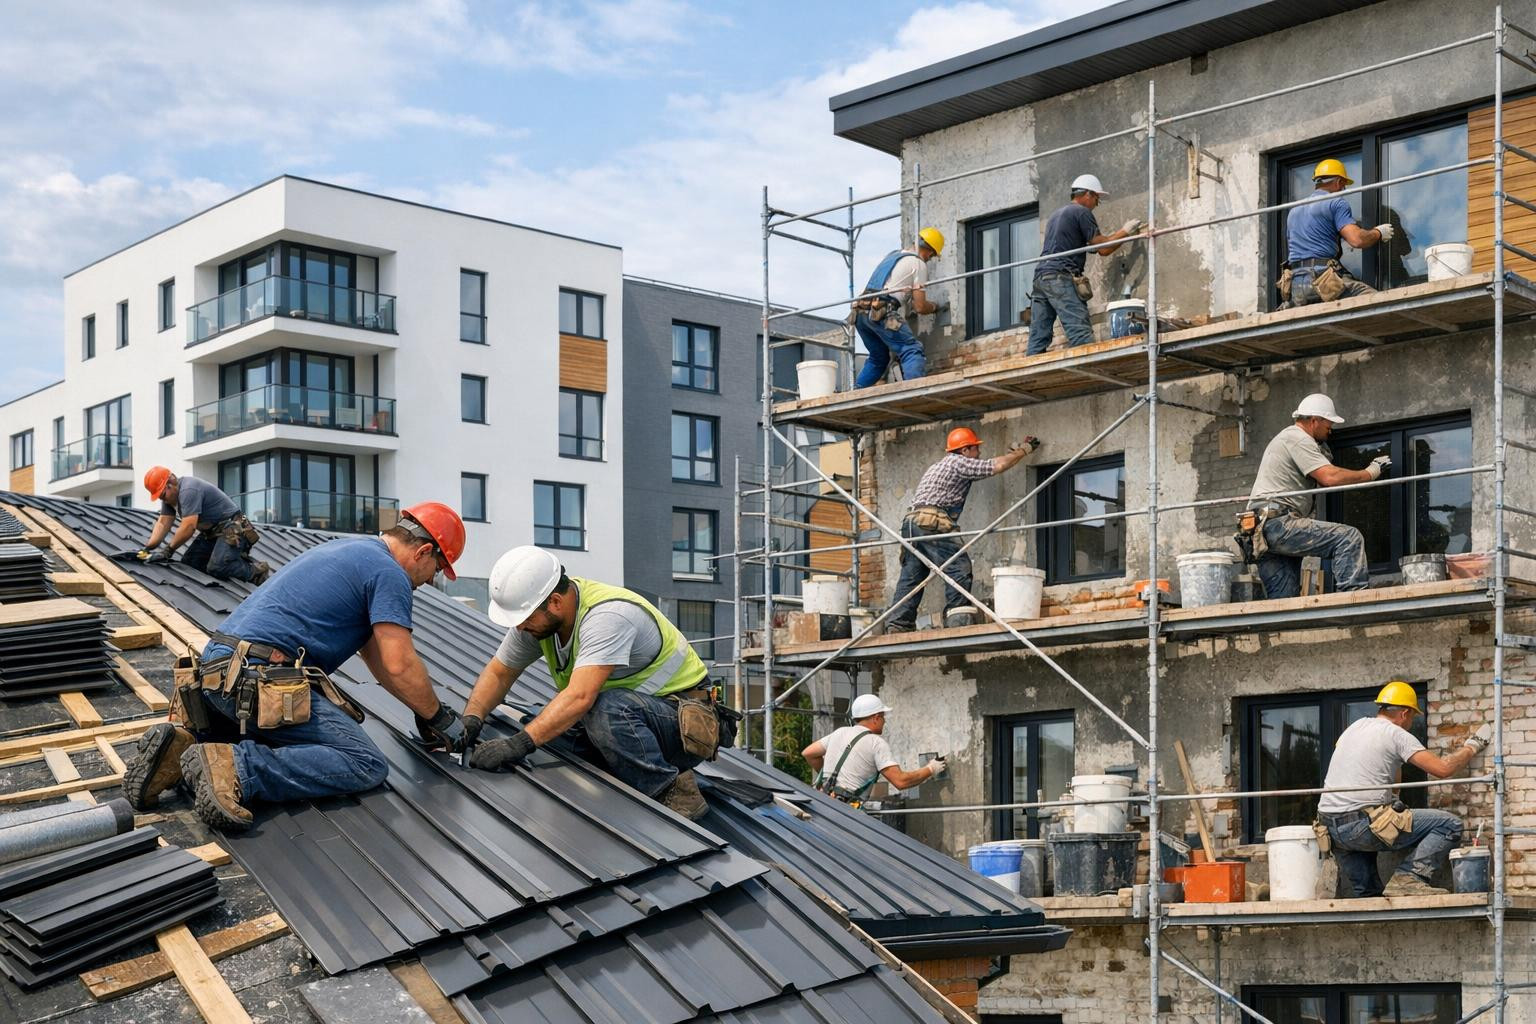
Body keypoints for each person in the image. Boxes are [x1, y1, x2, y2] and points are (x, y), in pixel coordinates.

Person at [121, 502, 471, 830]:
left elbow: (379, 662)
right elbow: (400, 665)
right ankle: (238, 768)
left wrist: (423, 711)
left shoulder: (348, 550)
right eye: (437, 569)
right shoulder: (389, 573)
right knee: (366, 763)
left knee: (264, 732)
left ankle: (184, 743)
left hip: (215, 674)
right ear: (424, 551)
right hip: (257, 681)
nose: (429, 580)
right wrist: (441, 719)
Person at [459, 546, 727, 821]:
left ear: (554, 602)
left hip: (684, 729)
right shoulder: (538, 621)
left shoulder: (608, 617)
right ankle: (621, 767)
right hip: (638, 724)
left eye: (525, 619)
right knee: (540, 722)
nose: (519, 628)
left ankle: (672, 791)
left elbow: (580, 697)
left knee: (602, 710)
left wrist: (516, 746)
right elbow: (499, 673)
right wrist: (471, 718)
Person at [1318, 681, 1490, 897]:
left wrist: (1393, 799)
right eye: (1412, 717)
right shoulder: (1395, 734)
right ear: (1405, 713)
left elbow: (1382, 765)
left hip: (1331, 829)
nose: (1411, 723)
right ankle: (1409, 878)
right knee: (1450, 825)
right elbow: (1442, 769)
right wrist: (1472, 747)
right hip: (1360, 826)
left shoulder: (1355, 726)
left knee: (1370, 896)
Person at [886, 427, 1038, 633]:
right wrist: (1023, 451)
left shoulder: (938, 466)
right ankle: (958, 620)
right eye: (975, 449)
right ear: (964, 450)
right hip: (932, 522)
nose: (979, 453)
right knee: (959, 566)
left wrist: (1014, 453)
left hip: (912, 525)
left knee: (913, 575)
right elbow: (998, 465)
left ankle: (898, 624)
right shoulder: (958, 463)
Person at [1244, 393, 1389, 599]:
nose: (1330, 431)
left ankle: (1284, 628)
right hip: (1278, 522)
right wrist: (1370, 473)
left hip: (1261, 530)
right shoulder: (1297, 438)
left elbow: (1320, 478)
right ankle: (1356, 601)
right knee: (1348, 538)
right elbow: (1328, 477)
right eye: (1328, 425)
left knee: (1285, 602)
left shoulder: (1290, 439)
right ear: (1314, 420)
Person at [1026, 174, 1144, 355]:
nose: (1096, 204)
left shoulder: (1057, 215)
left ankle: (1030, 379)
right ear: (1088, 194)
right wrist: (1126, 231)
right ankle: (1090, 374)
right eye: (1097, 199)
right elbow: (1104, 248)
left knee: (1038, 337)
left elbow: (1079, 244)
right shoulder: (1082, 212)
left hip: (1041, 278)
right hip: (1060, 276)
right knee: (1080, 334)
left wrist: (1090, 245)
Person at [1280, 158, 1392, 308]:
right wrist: (1378, 232)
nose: (1343, 190)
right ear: (1339, 182)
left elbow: (1311, 238)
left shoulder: (1293, 211)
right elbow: (1357, 240)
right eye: (1344, 186)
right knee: (1377, 303)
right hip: (1322, 281)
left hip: (1295, 284)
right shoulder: (1336, 202)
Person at [802, 694, 945, 806]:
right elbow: (901, 782)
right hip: (846, 811)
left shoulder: (839, 732)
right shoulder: (875, 743)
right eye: (883, 717)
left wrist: (832, 774)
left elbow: (808, 753)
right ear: (876, 718)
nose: (885, 721)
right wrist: (931, 769)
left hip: (822, 801)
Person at [138, 467, 271, 584]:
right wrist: (148, 548)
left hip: (235, 526)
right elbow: (163, 522)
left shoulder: (188, 490)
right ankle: (228, 561)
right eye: (160, 497)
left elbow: (188, 527)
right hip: (213, 533)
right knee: (189, 565)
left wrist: (168, 551)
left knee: (217, 567)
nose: (163, 499)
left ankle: (255, 571)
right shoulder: (169, 497)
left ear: (171, 483)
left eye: (162, 495)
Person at [851, 228, 946, 389]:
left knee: (878, 357)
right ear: (930, 252)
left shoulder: (892, 256)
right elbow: (920, 306)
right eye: (932, 256)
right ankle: (915, 391)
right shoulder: (918, 263)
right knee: (911, 349)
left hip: (860, 312)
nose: (930, 259)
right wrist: (935, 307)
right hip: (882, 311)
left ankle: (855, 394)